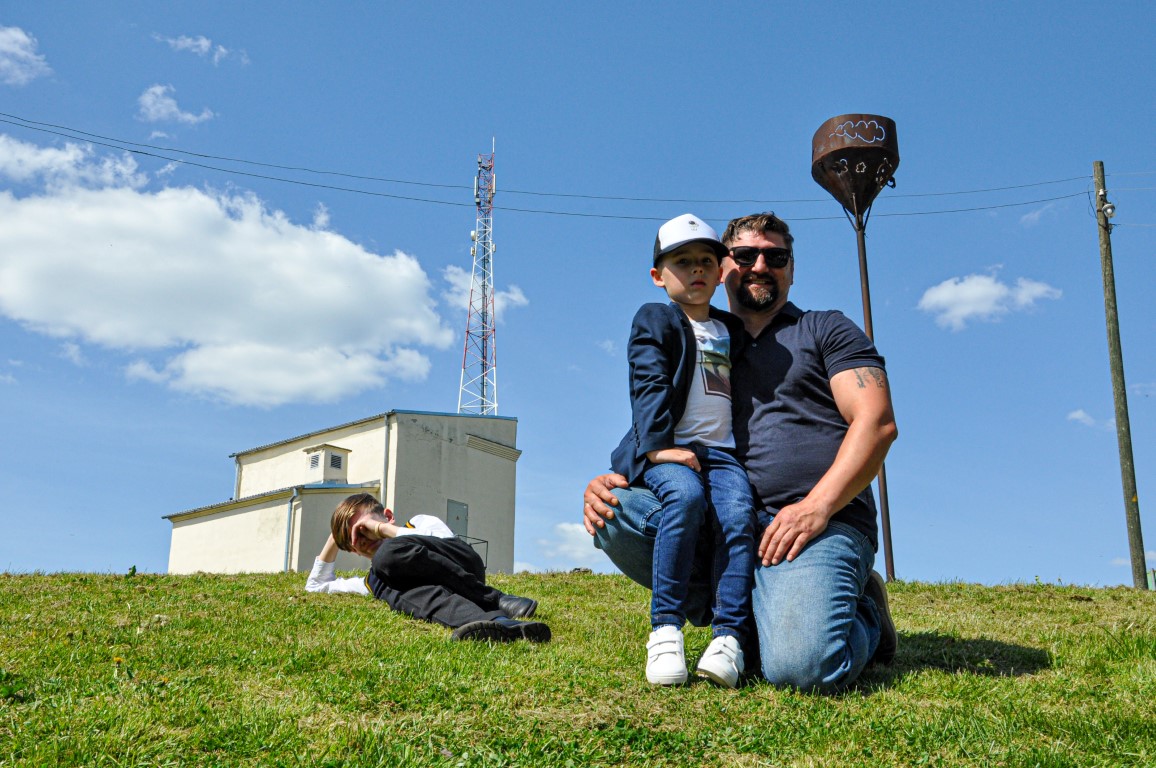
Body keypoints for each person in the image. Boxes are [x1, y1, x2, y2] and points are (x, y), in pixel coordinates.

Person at [585, 212, 899, 693]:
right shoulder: (702, 335)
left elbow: (876, 423)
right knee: (617, 512)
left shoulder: (824, 328)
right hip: (725, 517)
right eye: (746, 255)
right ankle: (743, 626)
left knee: (801, 668)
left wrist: (816, 507)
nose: (761, 266)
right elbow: (659, 409)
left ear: (792, 269)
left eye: (777, 257)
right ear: (723, 268)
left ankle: (866, 613)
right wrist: (614, 474)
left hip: (817, 523)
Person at [611, 213, 755, 687]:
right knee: (686, 498)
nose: (696, 269)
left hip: (723, 455)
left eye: (706, 261)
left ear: (721, 271)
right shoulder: (658, 318)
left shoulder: (732, 329)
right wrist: (657, 448)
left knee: (737, 519)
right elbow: (648, 382)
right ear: (658, 275)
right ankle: (665, 630)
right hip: (669, 449)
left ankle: (728, 638)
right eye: (682, 262)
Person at [313, 492, 551, 643]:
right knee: (382, 580)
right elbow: (316, 586)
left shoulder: (419, 523)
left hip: (461, 564)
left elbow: (441, 542)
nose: (364, 537)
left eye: (365, 527)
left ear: (388, 516)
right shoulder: (375, 579)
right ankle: (502, 624)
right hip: (441, 596)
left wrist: (381, 529)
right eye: (356, 538)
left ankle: (496, 599)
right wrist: (337, 533)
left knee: (386, 554)